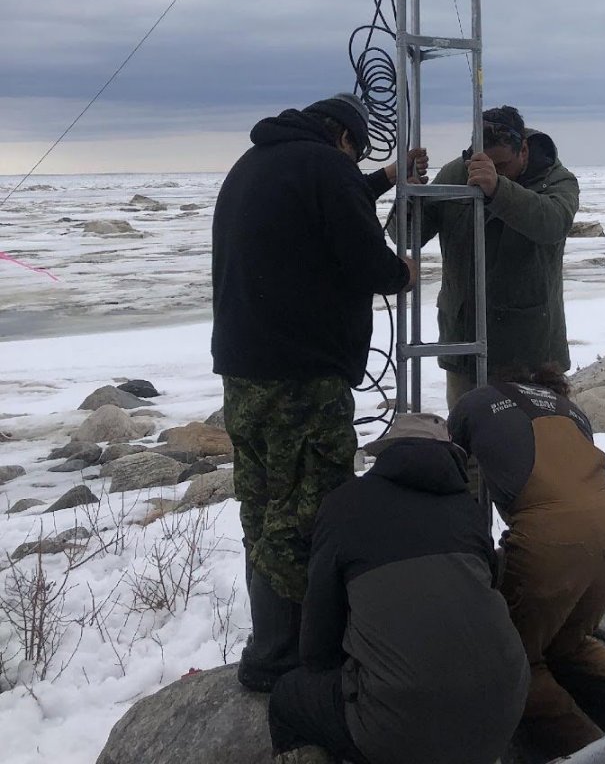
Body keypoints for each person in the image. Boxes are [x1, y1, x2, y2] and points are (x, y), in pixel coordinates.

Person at [211, 92, 422, 692]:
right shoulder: (328, 168)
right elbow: (364, 256)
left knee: (262, 506)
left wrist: (386, 177)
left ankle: (271, 642)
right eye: (358, 154)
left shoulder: (256, 163)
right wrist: (400, 273)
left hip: (244, 372)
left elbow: (328, 203)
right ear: (344, 138)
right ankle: (292, 659)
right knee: (309, 511)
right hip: (302, 378)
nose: (354, 164)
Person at [266, 412, 530, 764]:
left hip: (398, 726)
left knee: (286, 697)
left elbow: (317, 646)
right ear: (452, 459)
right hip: (506, 708)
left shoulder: (344, 504)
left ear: (386, 454)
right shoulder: (468, 511)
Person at [448, 367, 605, 759]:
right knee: (570, 644)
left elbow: (453, 482)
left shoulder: (476, 403)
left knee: (516, 663)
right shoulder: (572, 412)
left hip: (550, 543)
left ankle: (591, 753)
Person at [408, 105, 579, 409]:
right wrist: (410, 198)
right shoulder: (456, 173)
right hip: (465, 341)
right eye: (486, 164)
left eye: (502, 165)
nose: (492, 172)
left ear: (523, 150)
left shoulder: (555, 179)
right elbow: (409, 236)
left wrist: (498, 189)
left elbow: (553, 223)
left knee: (538, 435)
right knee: (468, 431)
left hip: (532, 351)